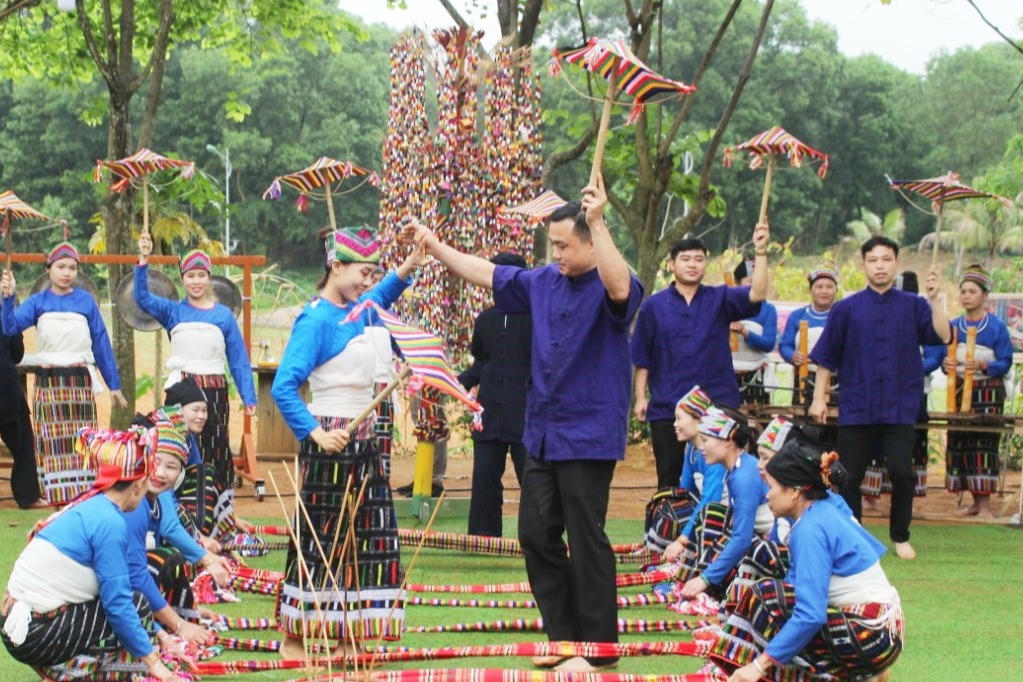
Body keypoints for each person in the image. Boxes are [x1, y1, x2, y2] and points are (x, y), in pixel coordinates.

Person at [407, 175, 644, 673]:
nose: (554, 253)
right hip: (541, 430)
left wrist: (599, 222)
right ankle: (563, 639)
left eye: (563, 245)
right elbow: (485, 273)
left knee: (586, 537)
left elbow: (621, 286)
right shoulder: (541, 282)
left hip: (588, 433)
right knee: (536, 534)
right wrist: (434, 245)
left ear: (588, 242)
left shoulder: (609, 282)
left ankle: (599, 652)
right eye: (550, 244)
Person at [271, 226, 425, 656]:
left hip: (365, 437)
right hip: (329, 435)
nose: (367, 281)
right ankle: (295, 638)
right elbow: (284, 386)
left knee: (367, 536)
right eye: (362, 272)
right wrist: (317, 433)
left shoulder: (360, 308)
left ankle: (349, 636)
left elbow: (382, 297)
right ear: (335, 266)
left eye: (373, 273)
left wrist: (408, 265)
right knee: (322, 536)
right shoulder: (316, 319)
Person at [1, 426, 184, 682]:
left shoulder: (92, 504)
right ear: (139, 483)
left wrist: (161, 637)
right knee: (136, 606)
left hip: (17, 624)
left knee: (129, 610)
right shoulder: (111, 522)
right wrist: (155, 663)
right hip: (35, 632)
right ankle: (67, 675)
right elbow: (119, 604)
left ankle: (61, 670)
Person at [809, 236, 951, 560]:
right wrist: (819, 399)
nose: (880, 266)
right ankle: (853, 534)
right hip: (857, 404)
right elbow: (826, 358)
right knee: (848, 476)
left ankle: (900, 535)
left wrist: (936, 301)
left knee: (902, 471)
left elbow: (943, 336)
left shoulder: (914, 305)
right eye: (873, 260)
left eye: (886, 260)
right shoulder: (846, 309)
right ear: (863, 265)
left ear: (896, 263)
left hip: (900, 406)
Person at [709, 446, 903, 682]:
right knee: (767, 569)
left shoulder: (811, 528)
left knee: (765, 596)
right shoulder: (819, 512)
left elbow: (810, 614)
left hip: (872, 635)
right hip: (879, 632)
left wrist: (759, 666)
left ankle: (744, 666)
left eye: (771, 487)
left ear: (794, 492)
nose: (767, 495)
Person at [632, 230, 769, 489]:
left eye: (698, 259)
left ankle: (718, 528)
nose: (692, 264)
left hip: (717, 403)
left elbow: (757, 294)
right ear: (671, 264)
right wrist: (641, 397)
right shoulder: (653, 306)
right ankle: (670, 529)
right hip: (668, 405)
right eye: (685, 259)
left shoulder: (720, 298)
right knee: (669, 479)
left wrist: (760, 252)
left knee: (721, 478)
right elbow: (643, 356)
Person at [1, 241, 126, 505]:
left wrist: (113, 384)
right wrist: (8, 298)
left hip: (79, 380)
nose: (66, 272)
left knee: (81, 439)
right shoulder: (38, 301)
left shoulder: (86, 302)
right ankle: (55, 494)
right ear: (49, 270)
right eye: (61, 267)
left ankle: (84, 494)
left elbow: (101, 342)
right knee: (52, 440)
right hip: (49, 380)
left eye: (72, 267)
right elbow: (10, 329)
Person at [135, 235, 258, 493]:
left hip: (214, 390)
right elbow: (143, 299)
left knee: (215, 444)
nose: (196, 281)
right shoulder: (173, 311)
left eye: (201, 275)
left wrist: (249, 397)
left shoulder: (223, 315)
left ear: (209, 277)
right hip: (181, 389)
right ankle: (177, 499)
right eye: (190, 276)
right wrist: (143, 260)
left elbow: (238, 359)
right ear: (183, 279)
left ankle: (217, 500)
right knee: (177, 443)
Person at [124, 407, 231, 645]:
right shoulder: (134, 504)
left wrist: (188, 611)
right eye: (156, 463)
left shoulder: (150, 501)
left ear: (179, 473)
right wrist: (174, 627)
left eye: (171, 467)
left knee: (167, 559)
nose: (160, 473)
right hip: (64, 610)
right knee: (164, 560)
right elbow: (130, 578)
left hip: (112, 586)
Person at [457, 252, 531, 537]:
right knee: (485, 478)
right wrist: (455, 383)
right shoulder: (486, 319)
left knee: (534, 481)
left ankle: (537, 540)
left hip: (526, 416)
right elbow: (481, 363)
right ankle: (483, 539)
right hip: (488, 415)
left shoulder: (537, 318)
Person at [671, 406, 772, 614]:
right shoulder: (737, 469)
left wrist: (706, 578)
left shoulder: (743, 476)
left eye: (706, 440)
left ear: (728, 441)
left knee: (714, 518)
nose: (701, 447)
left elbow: (742, 538)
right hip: (764, 539)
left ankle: (707, 591)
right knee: (712, 515)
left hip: (773, 546)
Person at [860, 271, 943, 505]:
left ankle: (906, 499)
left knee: (911, 443)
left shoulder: (923, 315)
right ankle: (871, 497)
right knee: (876, 440)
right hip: (880, 392)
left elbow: (936, 354)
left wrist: (908, 368)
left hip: (914, 393)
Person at [943, 264, 1012, 518]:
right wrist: (946, 363)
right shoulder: (952, 326)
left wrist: (984, 364)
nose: (966, 296)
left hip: (987, 391)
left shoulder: (996, 327)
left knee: (983, 443)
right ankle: (973, 502)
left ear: (984, 296)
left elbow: (1005, 361)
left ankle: (985, 505)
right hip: (959, 390)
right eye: (963, 291)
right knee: (960, 443)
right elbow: (942, 357)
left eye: (972, 291)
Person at [651, 386, 726, 555]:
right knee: (667, 502)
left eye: (679, 418)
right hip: (713, 517)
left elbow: (710, 501)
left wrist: (682, 540)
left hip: (725, 519)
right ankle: (655, 547)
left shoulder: (715, 453)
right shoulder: (691, 449)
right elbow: (683, 495)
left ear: (699, 420)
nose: (675, 424)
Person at [779, 262, 838, 412]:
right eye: (819, 287)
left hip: (836, 380)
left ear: (836, 290)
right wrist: (793, 356)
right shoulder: (797, 316)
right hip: (804, 378)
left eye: (829, 287)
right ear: (811, 290)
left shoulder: (842, 315)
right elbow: (785, 345)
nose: (824, 291)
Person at [0, 310, 41, 508]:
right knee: (22, 444)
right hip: (5, 388)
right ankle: (28, 497)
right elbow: (17, 354)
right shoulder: (5, 313)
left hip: (6, 387)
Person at [730, 258, 777, 406]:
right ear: (737, 283)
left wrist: (745, 331)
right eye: (750, 281)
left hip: (756, 374)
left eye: (759, 282)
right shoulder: (726, 307)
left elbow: (769, 344)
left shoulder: (768, 310)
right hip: (728, 374)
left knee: (756, 422)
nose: (756, 286)